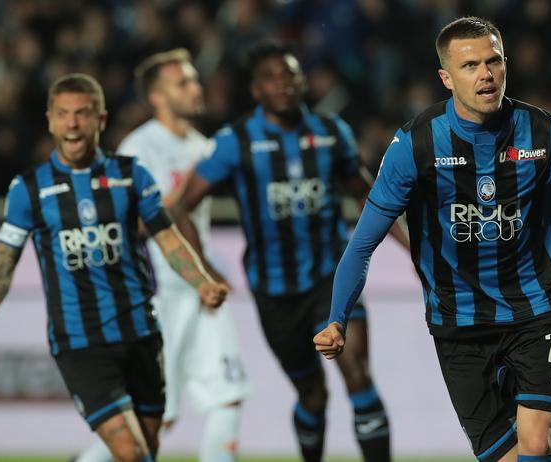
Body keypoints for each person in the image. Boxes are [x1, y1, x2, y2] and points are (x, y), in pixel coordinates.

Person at [314, 16, 551, 462]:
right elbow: (362, 244)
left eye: (493, 61)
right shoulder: (414, 146)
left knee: (537, 439)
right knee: (507, 456)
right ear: (446, 77)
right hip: (458, 322)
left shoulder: (547, 133)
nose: (486, 74)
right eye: (471, 65)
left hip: (537, 309)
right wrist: (337, 318)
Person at [0, 73, 229, 462]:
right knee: (131, 453)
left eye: (82, 114)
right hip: (80, 343)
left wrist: (201, 282)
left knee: (148, 450)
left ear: (100, 120)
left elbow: (167, 238)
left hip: (141, 333)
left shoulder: (132, 175)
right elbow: (3, 262)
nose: (72, 124)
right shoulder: (28, 189)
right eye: (63, 114)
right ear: (50, 120)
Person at [174, 43, 409, 462]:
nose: (282, 83)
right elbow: (180, 207)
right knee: (312, 395)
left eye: (290, 75)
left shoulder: (331, 131)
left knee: (358, 376)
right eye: (271, 77)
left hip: (331, 278)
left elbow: (370, 198)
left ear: (303, 81)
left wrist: (415, 249)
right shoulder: (235, 142)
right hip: (275, 294)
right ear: (255, 88)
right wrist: (204, 270)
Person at [75, 50, 250, 462]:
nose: (196, 88)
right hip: (158, 298)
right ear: (157, 97)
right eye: (183, 82)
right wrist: (180, 195)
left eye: (194, 79)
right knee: (151, 421)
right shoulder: (140, 149)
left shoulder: (201, 145)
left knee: (228, 396)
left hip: (203, 291)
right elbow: (125, 226)